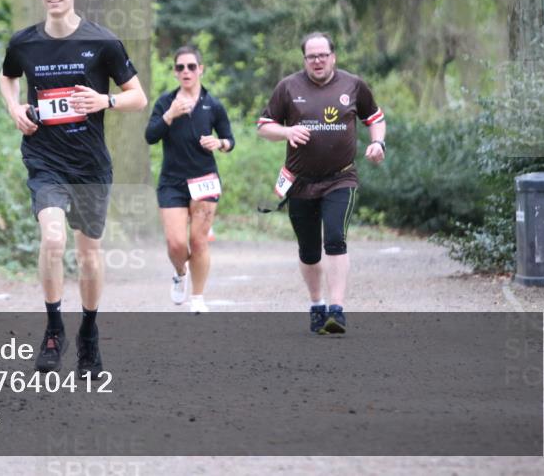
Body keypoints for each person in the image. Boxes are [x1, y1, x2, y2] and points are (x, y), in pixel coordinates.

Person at [0, 0, 147, 377]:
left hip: (90, 164)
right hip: (44, 158)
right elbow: (8, 76)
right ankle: (52, 328)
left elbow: (138, 96)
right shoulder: (24, 42)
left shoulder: (102, 42)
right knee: (52, 239)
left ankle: (89, 333)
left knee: (88, 255)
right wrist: (14, 109)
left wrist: (106, 100)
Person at [256, 32, 385, 335]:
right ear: (304, 60)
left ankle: (336, 311)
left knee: (336, 238)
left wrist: (378, 143)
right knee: (309, 250)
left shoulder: (353, 85)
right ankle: (317, 304)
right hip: (299, 182)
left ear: (333, 57)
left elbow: (375, 117)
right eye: (311, 56)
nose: (317, 61)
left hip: (341, 177)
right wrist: (287, 133)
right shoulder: (288, 87)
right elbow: (264, 127)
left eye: (322, 55)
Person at [145, 46, 234, 314]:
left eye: (191, 66)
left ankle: (197, 297)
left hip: (204, 180)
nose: (186, 71)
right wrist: (170, 115)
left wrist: (218, 142)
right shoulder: (165, 102)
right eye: (181, 67)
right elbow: (150, 136)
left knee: (199, 241)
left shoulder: (213, 104)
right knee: (176, 244)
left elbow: (230, 140)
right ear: (175, 72)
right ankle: (180, 272)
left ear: (200, 69)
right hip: (172, 181)